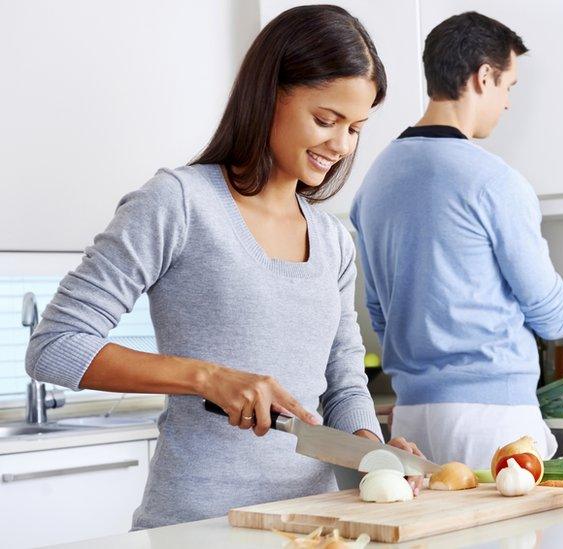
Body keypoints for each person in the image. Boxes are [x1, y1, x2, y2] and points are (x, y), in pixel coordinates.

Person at [25, 5, 421, 530]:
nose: (341, 145)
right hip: (196, 525)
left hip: (314, 526)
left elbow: (343, 385)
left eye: (354, 128)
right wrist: (206, 377)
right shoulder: (180, 203)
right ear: (269, 93)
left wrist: (374, 458)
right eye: (325, 120)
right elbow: (55, 347)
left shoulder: (333, 241)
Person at [350, 12, 563, 469]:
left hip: (410, 421)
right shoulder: (494, 182)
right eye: (508, 85)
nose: (507, 103)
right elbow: (548, 314)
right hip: (494, 422)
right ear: (483, 76)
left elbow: (379, 314)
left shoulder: (375, 183)